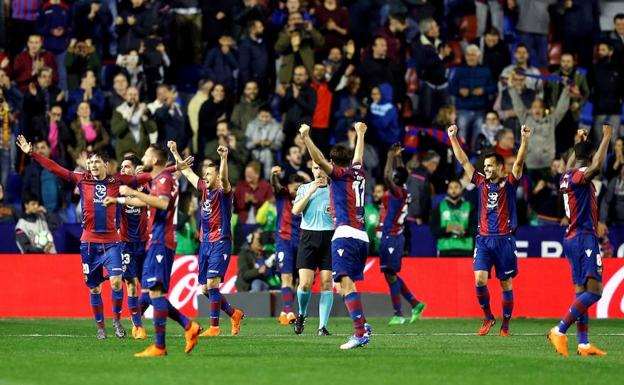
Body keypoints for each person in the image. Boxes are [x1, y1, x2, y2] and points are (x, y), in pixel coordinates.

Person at [16, 135, 161, 340]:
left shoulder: (117, 181)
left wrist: (171, 168)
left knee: (117, 282)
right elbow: (55, 168)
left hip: (112, 242)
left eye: (96, 162)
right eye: (90, 162)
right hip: (89, 243)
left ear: (106, 165)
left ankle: (117, 321)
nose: (92, 165)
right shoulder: (81, 179)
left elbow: (145, 178)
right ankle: (101, 327)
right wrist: (32, 154)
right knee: (94, 288)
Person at [116, 144, 201, 357]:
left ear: (154, 160)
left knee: (155, 292)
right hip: (156, 241)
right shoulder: (158, 180)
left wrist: (132, 191)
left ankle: (160, 346)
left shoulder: (163, 180)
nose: (142, 158)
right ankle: (188, 326)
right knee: (151, 293)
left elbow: (161, 204)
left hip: (161, 241)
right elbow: (145, 202)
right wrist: (118, 199)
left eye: (145, 154)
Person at [448, 123, 531, 337]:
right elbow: (463, 161)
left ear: (501, 168)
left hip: (504, 240)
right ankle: (488, 316)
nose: (486, 169)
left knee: (505, 283)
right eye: (485, 166)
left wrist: (524, 140)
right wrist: (453, 138)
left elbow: (519, 161)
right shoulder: (480, 183)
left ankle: (505, 325)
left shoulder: (509, 183)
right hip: (483, 240)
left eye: (491, 166)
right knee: (479, 280)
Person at [299, 122, 372, 349]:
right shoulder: (358, 172)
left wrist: (306, 138)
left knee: (345, 286)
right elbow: (358, 156)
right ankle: (363, 324)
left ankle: (359, 334)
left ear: (333, 163)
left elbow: (319, 160)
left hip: (345, 234)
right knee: (346, 284)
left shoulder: (339, 175)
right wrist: (360, 133)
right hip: (362, 236)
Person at [547, 124, 612, 357]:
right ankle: (559, 329)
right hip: (584, 237)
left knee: (581, 292)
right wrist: (606, 137)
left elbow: (569, 164)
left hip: (572, 238)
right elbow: (596, 166)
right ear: (591, 155)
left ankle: (583, 344)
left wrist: (578, 141)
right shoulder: (581, 177)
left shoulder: (566, 175)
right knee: (594, 292)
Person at [168, 141, 245, 338]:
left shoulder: (223, 192)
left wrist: (223, 158)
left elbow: (226, 180)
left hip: (221, 241)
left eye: (209, 174)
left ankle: (215, 328)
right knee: (205, 289)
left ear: (218, 177)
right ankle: (234, 314)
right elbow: (186, 172)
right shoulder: (203, 189)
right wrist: (175, 151)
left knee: (212, 284)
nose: (205, 176)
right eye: (205, 174)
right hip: (205, 243)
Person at [379, 144, 426, 325]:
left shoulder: (397, 192)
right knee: (390, 275)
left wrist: (390, 156)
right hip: (392, 236)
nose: (392, 176)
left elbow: (385, 175)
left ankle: (399, 313)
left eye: (394, 176)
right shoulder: (404, 188)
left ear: (396, 179)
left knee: (391, 275)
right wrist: (399, 157)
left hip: (392, 236)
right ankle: (414, 304)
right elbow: (402, 172)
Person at [103, 154, 148, 340]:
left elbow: (153, 199)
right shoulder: (117, 191)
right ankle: (137, 326)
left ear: (136, 169)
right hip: (126, 244)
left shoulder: (146, 188)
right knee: (131, 283)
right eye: (121, 166)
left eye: (127, 166)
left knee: (149, 287)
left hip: (145, 243)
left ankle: (136, 313)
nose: (123, 170)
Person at [291, 161, 335, 336]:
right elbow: (295, 210)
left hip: (329, 237)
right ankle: (302, 313)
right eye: (316, 168)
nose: (319, 172)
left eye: (322, 168)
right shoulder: (304, 188)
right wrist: (311, 191)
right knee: (305, 283)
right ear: (312, 170)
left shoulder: (334, 189)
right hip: (309, 237)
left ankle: (322, 326)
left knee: (326, 283)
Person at [509, 79, 569, 180]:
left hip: (548, 165)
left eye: (540, 107)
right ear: (531, 109)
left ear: (544, 110)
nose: (537, 109)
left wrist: (566, 89)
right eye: (534, 107)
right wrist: (511, 88)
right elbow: (518, 105)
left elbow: (561, 108)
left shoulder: (551, 119)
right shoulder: (525, 119)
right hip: (530, 166)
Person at [270, 166, 305, 325]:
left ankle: (285, 310)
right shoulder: (282, 195)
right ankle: (290, 311)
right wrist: (273, 175)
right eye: (295, 188)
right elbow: (275, 185)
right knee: (286, 277)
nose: (298, 191)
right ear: (288, 187)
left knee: (298, 280)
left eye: (300, 188)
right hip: (284, 241)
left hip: (301, 242)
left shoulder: (304, 198)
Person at [430, 179, 477, 257]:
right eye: (451, 188)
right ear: (447, 190)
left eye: (456, 187)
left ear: (461, 189)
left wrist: (465, 231)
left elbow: (476, 228)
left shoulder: (469, 207)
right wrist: (446, 229)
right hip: (445, 249)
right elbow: (433, 229)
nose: (453, 190)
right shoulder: (439, 207)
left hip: (465, 249)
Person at [111, 86, 157, 162]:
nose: (133, 97)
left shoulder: (144, 110)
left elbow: (153, 129)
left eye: (135, 94)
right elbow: (116, 131)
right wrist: (128, 117)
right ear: (125, 96)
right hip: (125, 154)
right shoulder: (119, 111)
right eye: (130, 94)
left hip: (143, 153)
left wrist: (144, 115)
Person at [245, 106, 285, 178]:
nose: (264, 119)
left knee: (267, 152)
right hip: (253, 155)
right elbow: (247, 144)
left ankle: (267, 179)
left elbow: (279, 145)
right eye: (262, 116)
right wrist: (255, 143)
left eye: (267, 116)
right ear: (258, 116)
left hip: (271, 156)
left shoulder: (277, 127)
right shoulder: (251, 125)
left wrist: (270, 144)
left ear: (271, 116)